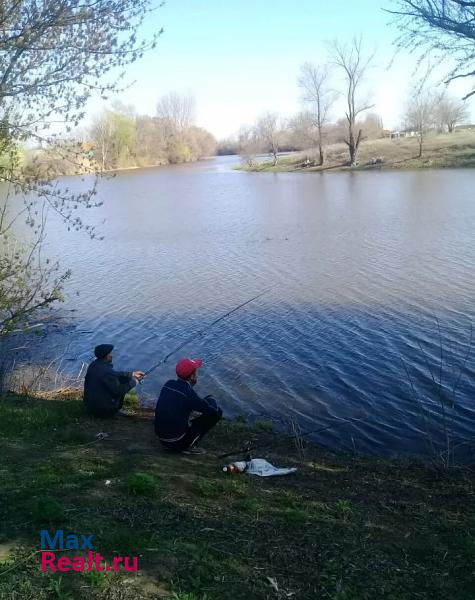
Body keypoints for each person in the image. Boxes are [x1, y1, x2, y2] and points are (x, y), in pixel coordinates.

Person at [154, 357, 222, 454]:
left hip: (162, 438)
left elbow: (181, 400)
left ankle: (178, 436)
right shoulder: (188, 393)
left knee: (183, 410)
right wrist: (212, 398)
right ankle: (188, 447)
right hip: (175, 442)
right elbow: (213, 409)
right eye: (196, 372)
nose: (197, 374)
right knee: (217, 412)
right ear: (192, 376)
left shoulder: (168, 384)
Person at [83, 344, 144, 418]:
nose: (112, 355)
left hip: (89, 406)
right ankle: (113, 411)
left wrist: (132, 374)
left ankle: (106, 408)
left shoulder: (94, 365)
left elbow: (114, 374)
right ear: (107, 356)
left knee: (124, 378)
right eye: (110, 353)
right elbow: (119, 390)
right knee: (123, 385)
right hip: (100, 410)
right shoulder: (107, 371)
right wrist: (134, 382)